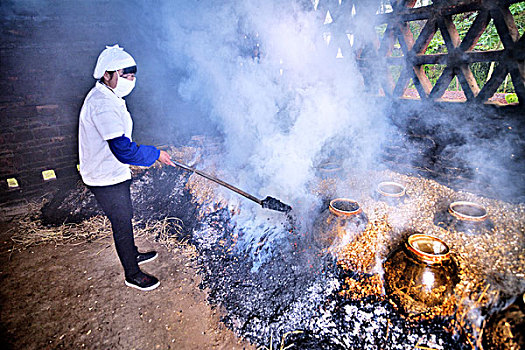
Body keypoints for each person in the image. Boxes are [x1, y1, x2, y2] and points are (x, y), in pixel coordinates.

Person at [78, 44, 175, 291]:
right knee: (121, 221)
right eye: (124, 75)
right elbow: (123, 149)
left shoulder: (111, 96)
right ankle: (132, 274)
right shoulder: (101, 103)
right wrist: (155, 154)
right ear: (107, 75)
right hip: (104, 176)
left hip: (113, 172)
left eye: (132, 76)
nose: (129, 81)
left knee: (125, 214)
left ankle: (132, 254)